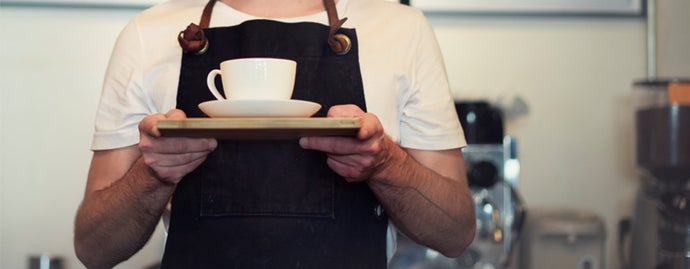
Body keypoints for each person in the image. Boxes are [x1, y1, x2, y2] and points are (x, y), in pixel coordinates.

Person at [73, 0, 475, 268]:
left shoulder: (403, 28)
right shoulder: (148, 33)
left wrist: (386, 165)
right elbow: (94, 248)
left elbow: (456, 233)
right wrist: (153, 175)